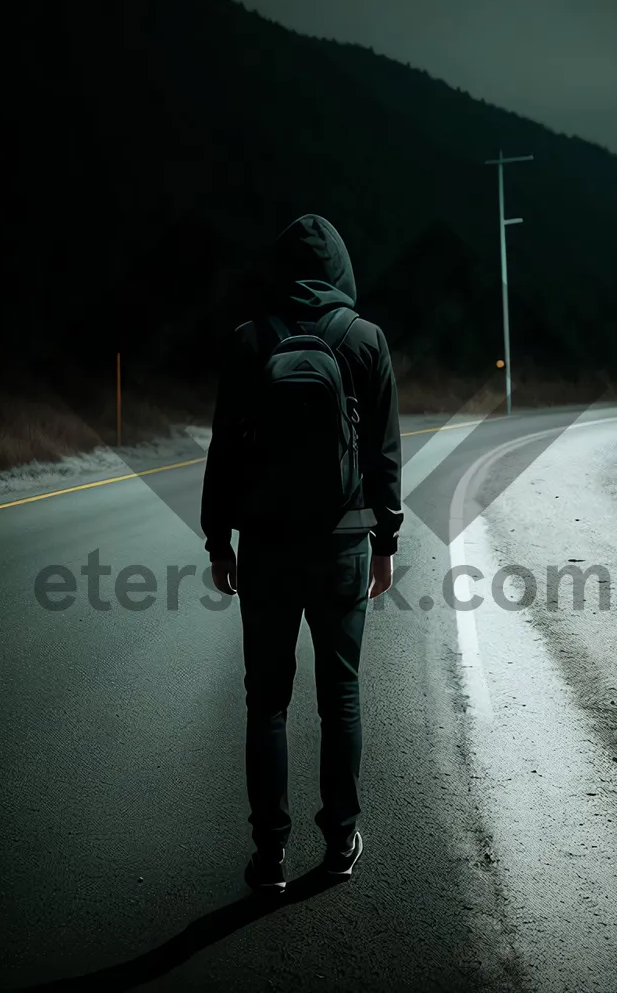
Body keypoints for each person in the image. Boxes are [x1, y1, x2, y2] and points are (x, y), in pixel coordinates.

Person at [201, 213, 403, 894]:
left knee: (267, 702)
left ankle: (270, 857)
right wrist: (388, 543)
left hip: (265, 545)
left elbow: (224, 453)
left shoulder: (249, 342)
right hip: (344, 544)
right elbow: (384, 458)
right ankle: (341, 838)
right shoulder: (367, 341)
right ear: (342, 269)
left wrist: (216, 539)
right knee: (340, 696)